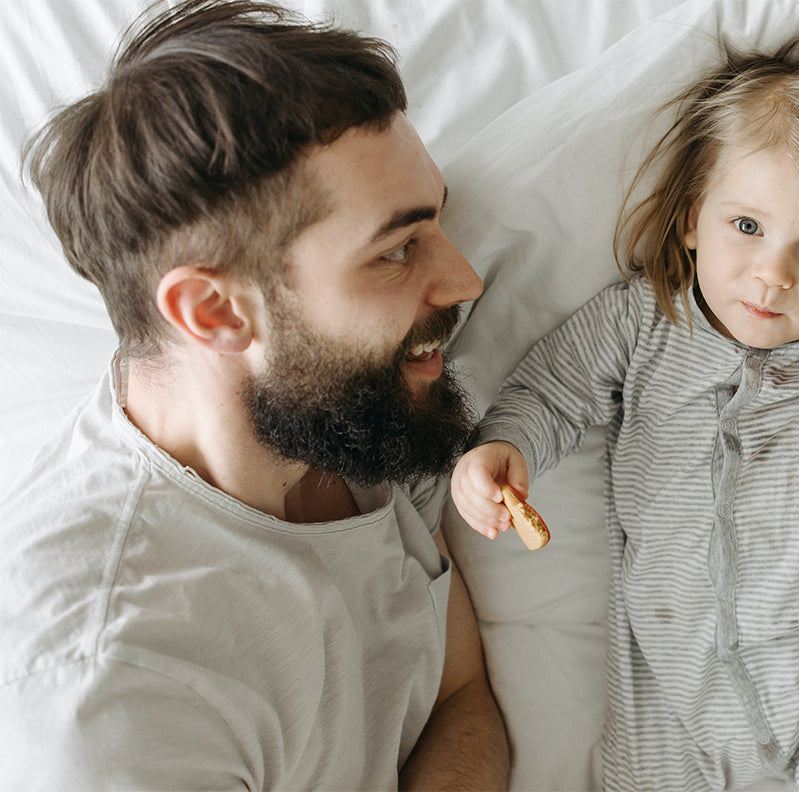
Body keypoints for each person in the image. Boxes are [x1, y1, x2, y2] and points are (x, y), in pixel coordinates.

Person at [449, 22, 799, 792]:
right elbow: (549, 393)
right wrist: (501, 450)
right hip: (665, 709)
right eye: (746, 227)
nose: (771, 274)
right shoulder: (642, 322)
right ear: (691, 219)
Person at [0, 1, 509, 788]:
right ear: (214, 311)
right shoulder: (110, 693)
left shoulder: (343, 421)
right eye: (398, 249)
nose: (465, 280)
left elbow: (461, 697)